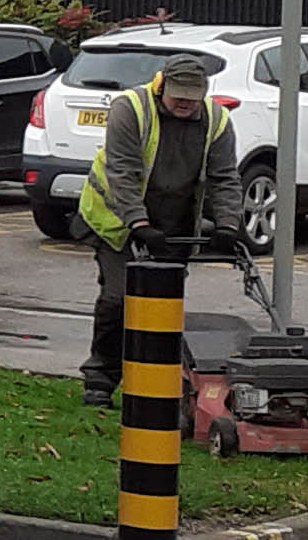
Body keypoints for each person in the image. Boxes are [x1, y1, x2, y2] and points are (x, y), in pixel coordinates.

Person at [76, 52, 244, 406]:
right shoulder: (130, 109)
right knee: (118, 298)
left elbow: (224, 177)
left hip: (174, 222)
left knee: (163, 305)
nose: (185, 102)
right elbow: (120, 171)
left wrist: (228, 224)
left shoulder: (216, 121)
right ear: (161, 84)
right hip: (117, 219)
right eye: (178, 93)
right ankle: (100, 379)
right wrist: (138, 223)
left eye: (192, 95)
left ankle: (157, 379)